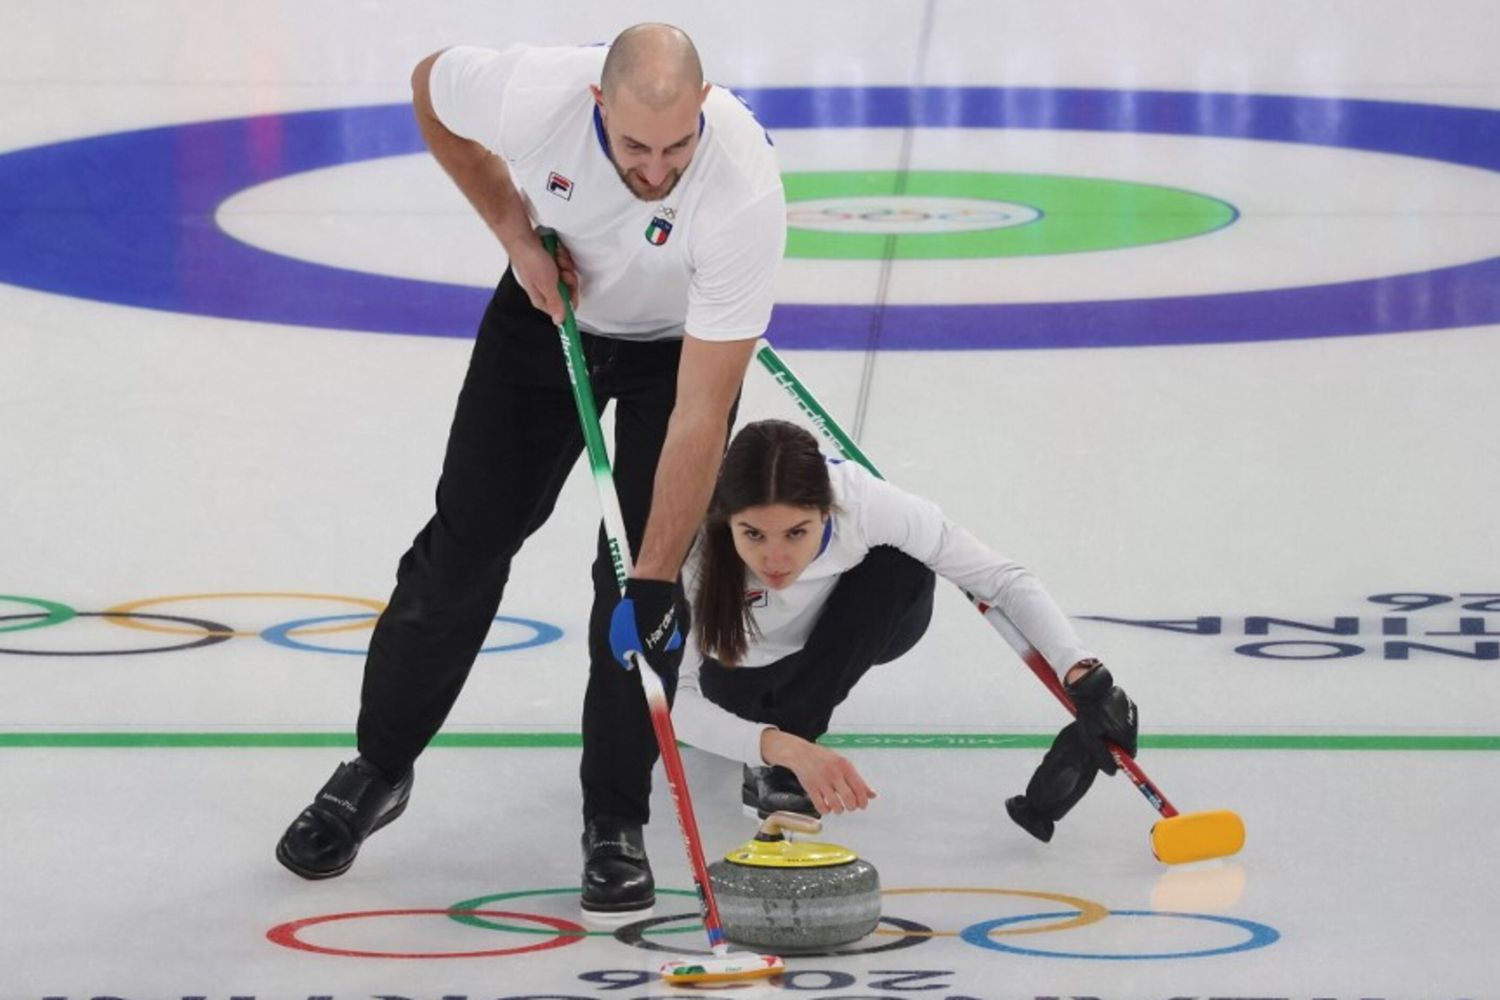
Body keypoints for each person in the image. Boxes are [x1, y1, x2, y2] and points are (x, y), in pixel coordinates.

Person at [274, 23, 786, 919]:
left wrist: (660, 577)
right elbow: (431, 86)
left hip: (678, 355)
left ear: (705, 110)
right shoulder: (533, 95)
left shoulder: (743, 188)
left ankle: (616, 820)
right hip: (550, 316)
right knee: (463, 549)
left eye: (676, 147)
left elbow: (703, 410)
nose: (657, 170)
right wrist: (516, 233)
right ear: (598, 103)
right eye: (634, 146)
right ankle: (377, 768)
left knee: (632, 590)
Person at [671, 420, 1139, 842]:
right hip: (740, 676)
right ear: (727, 518)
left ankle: (798, 731)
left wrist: (1079, 668)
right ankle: (783, 754)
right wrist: (777, 745)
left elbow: (1001, 579)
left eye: (797, 533)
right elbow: (673, 700)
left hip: (850, 638)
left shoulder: (866, 503)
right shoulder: (692, 546)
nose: (775, 559)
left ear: (828, 512)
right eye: (753, 534)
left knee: (902, 563)